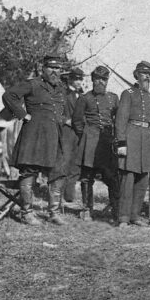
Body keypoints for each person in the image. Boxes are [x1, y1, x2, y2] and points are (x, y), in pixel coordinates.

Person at [2, 54, 68, 225]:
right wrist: (23, 115)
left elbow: (62, 111)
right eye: (51, 68)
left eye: (58, 68)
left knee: (58, 172)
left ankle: (53, 213)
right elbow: (9, 95)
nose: (55, 71)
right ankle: (27, 213)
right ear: (43, 69)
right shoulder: (33, 84)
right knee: (29, 172)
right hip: (35, 136)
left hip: (54, 136)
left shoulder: (61, 88)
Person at [115, 61, 150, 228]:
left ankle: (135, 215)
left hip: (147, 139)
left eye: (149, 74)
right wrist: (121, 142)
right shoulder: (128, 93)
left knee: (142, 180)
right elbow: (121, 119)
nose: (147, 77)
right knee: (128, 179)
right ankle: (124, 218)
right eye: (144, 73)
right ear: (136, 75)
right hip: (132, 136)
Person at [72, 66, 120, 223]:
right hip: (90, 142)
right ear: (92, 80)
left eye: (104, 79)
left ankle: (116, 209)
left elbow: (118, 119)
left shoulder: (114, 98)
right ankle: (87, 209)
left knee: (112, 177)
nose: (101, 82)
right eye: (98, 78)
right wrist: (86, 136)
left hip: (107, 142)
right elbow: (77, 122)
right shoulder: (84, 98)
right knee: (87, 177)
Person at [62, 67, 85, 203]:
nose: (78, 82)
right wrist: (66, 120)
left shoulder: (82, 96)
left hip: (78, 133)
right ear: (70, 79)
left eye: (80, 79)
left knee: (76, 163)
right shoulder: (63, 94)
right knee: (65, 162)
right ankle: (59, 194)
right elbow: (57, 112)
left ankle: (69, 196)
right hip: (67, 132)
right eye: (76, 79)